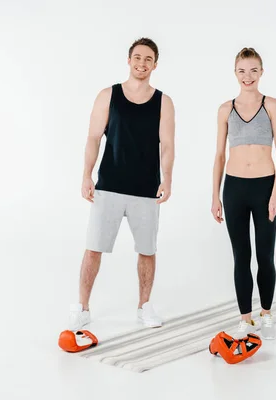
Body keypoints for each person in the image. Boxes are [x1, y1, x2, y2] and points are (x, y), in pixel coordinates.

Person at [68, 38, 175, 330]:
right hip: (109, 185)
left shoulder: (163, 102)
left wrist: (167, 178)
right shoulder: (108, 95)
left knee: (147, 250)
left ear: (155, 64)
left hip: (146, 189)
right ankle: (82, 307)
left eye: (148, 59)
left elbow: (167, 144)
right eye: (138, 57)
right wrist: (86, 174)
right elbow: (92, 137)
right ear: (129, 60)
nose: (142, 63)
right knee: (93, 248)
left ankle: (145, 307)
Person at [211, 47, 276, 339]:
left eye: (253, 70)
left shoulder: (272, 105)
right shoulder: (224, 109)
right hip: (234, 189)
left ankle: (266, 314)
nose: (248, 76)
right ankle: (246, 318)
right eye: (242, 71)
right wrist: (215, 196)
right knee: (241, 256)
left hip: (264, 186)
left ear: (261, 72)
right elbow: (219, 155)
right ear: (235, 73)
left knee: (265, 255)